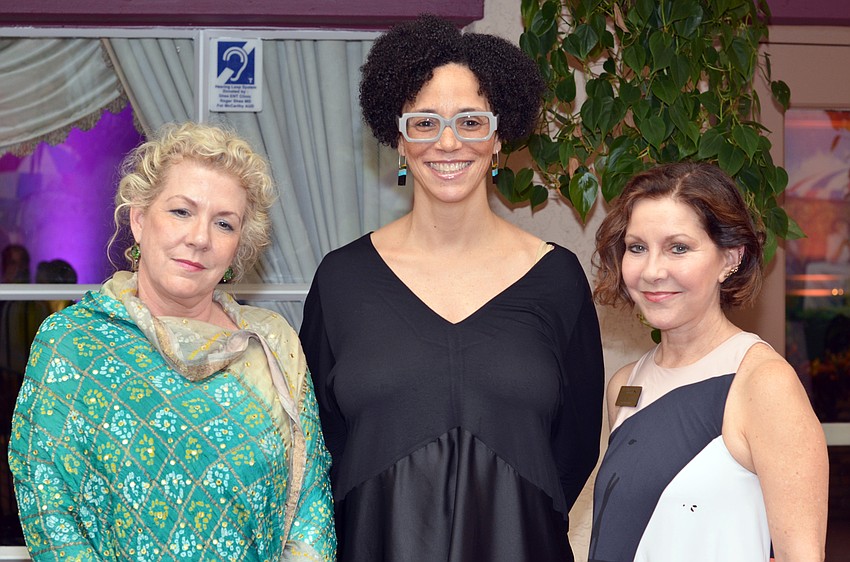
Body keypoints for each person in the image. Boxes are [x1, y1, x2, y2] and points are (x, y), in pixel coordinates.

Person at [299, 14, 605, 562]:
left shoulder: (557, 278)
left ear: (498, 135)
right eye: (425, 122)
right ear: (397, 136)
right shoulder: (341, 280)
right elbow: (320, 446)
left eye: (470, 121)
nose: (447, 142)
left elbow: (575, 447)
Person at [9, 122, 336, 561]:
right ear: (140, 220)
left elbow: (311, 500)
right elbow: (48, 508)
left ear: (238, 247)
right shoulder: (73, 344)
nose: (200, 238)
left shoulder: (272, 345)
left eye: (224, 223)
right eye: (181, 211)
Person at [588, 162, 828, 561]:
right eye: (637, 248)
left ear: (730, 258)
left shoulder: (763, 383)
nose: (651, 271)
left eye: (678, 248)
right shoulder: (624, 385)